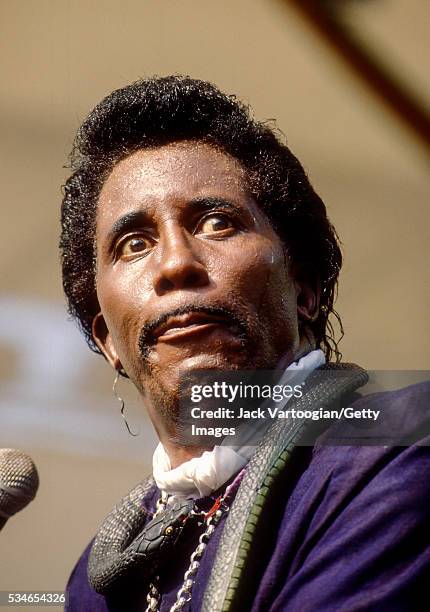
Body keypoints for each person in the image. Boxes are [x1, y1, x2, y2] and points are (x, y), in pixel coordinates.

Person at [61, 76, 430, 611]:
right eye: (134, 243)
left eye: (216, 222)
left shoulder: (399, 451)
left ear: (303, 288)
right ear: (107, 339)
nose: (176, 263)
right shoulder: (98, 578)